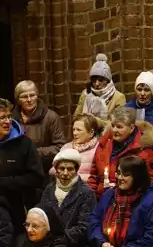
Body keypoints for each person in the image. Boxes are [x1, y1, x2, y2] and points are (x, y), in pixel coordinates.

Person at [88, 107, 153, 199]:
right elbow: (94, 175)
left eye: (119, 127)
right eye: (113, 126)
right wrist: (90, 197)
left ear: (132, 128)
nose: (114, 130)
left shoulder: (143, 151)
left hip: (129, 201)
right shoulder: (104, 144)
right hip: (101, 199)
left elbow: (151, 182)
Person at [39, 149, 96, 247]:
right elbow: (42, 217)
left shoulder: (86, 193)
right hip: (48, 241)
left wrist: (63, 238)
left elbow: (85, 226)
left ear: (76, 171)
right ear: (56, 170)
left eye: (70, 169)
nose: (65, 173)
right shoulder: (49, 189)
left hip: (74, 245)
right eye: (61, 168)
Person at [0, 98, 43, 227]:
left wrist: (5, 182)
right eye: (2, 118)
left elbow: (37, 178)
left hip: (18, 208)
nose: (7, 121)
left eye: (9, 116)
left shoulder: (24, 144)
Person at [13, 80, 66, 172]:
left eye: (32, 95)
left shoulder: (50, 117)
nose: (29, 100)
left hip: (43, 169)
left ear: (37, 96)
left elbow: (60, 146)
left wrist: (35, 152)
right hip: (17, 170)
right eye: (24, 97)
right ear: (18, 100)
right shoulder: (11, 119)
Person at [74, 54, 126, 128]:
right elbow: (76, 117)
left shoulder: (118, 97)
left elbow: (118, 124)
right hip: (86, 134)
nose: (97, 83)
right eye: (94, 80)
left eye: (100, 80)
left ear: (107, 80)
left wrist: (94, 121)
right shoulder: (86, 94)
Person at [50, 114, 100, 182]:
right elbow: (53, 170)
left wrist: (75, 177)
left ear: (91, 133)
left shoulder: (98, 149)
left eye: (79, 130)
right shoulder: (66, 147)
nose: (74, 133)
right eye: (74, 129)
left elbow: (99, 176)